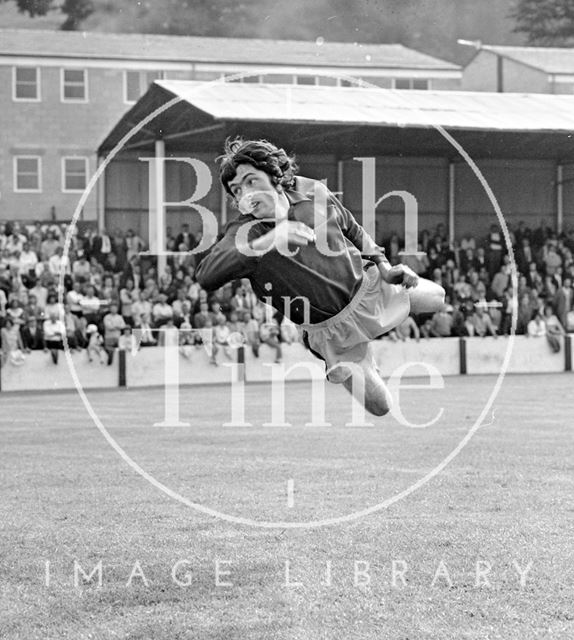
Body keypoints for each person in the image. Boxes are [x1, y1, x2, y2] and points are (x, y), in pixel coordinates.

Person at [195, 138, 445, 416]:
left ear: (276, 176)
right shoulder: (245, 232)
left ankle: (368, 347)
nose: (245, 195)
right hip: (332, 329)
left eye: (251, 181)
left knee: (438, 297)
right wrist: (270, 241)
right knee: (381, 407)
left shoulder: (311, 190)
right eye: (237, 190)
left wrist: (386, 267)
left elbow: (353, 229)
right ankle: (360, 359)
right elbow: (206, 275)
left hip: (368, 287)